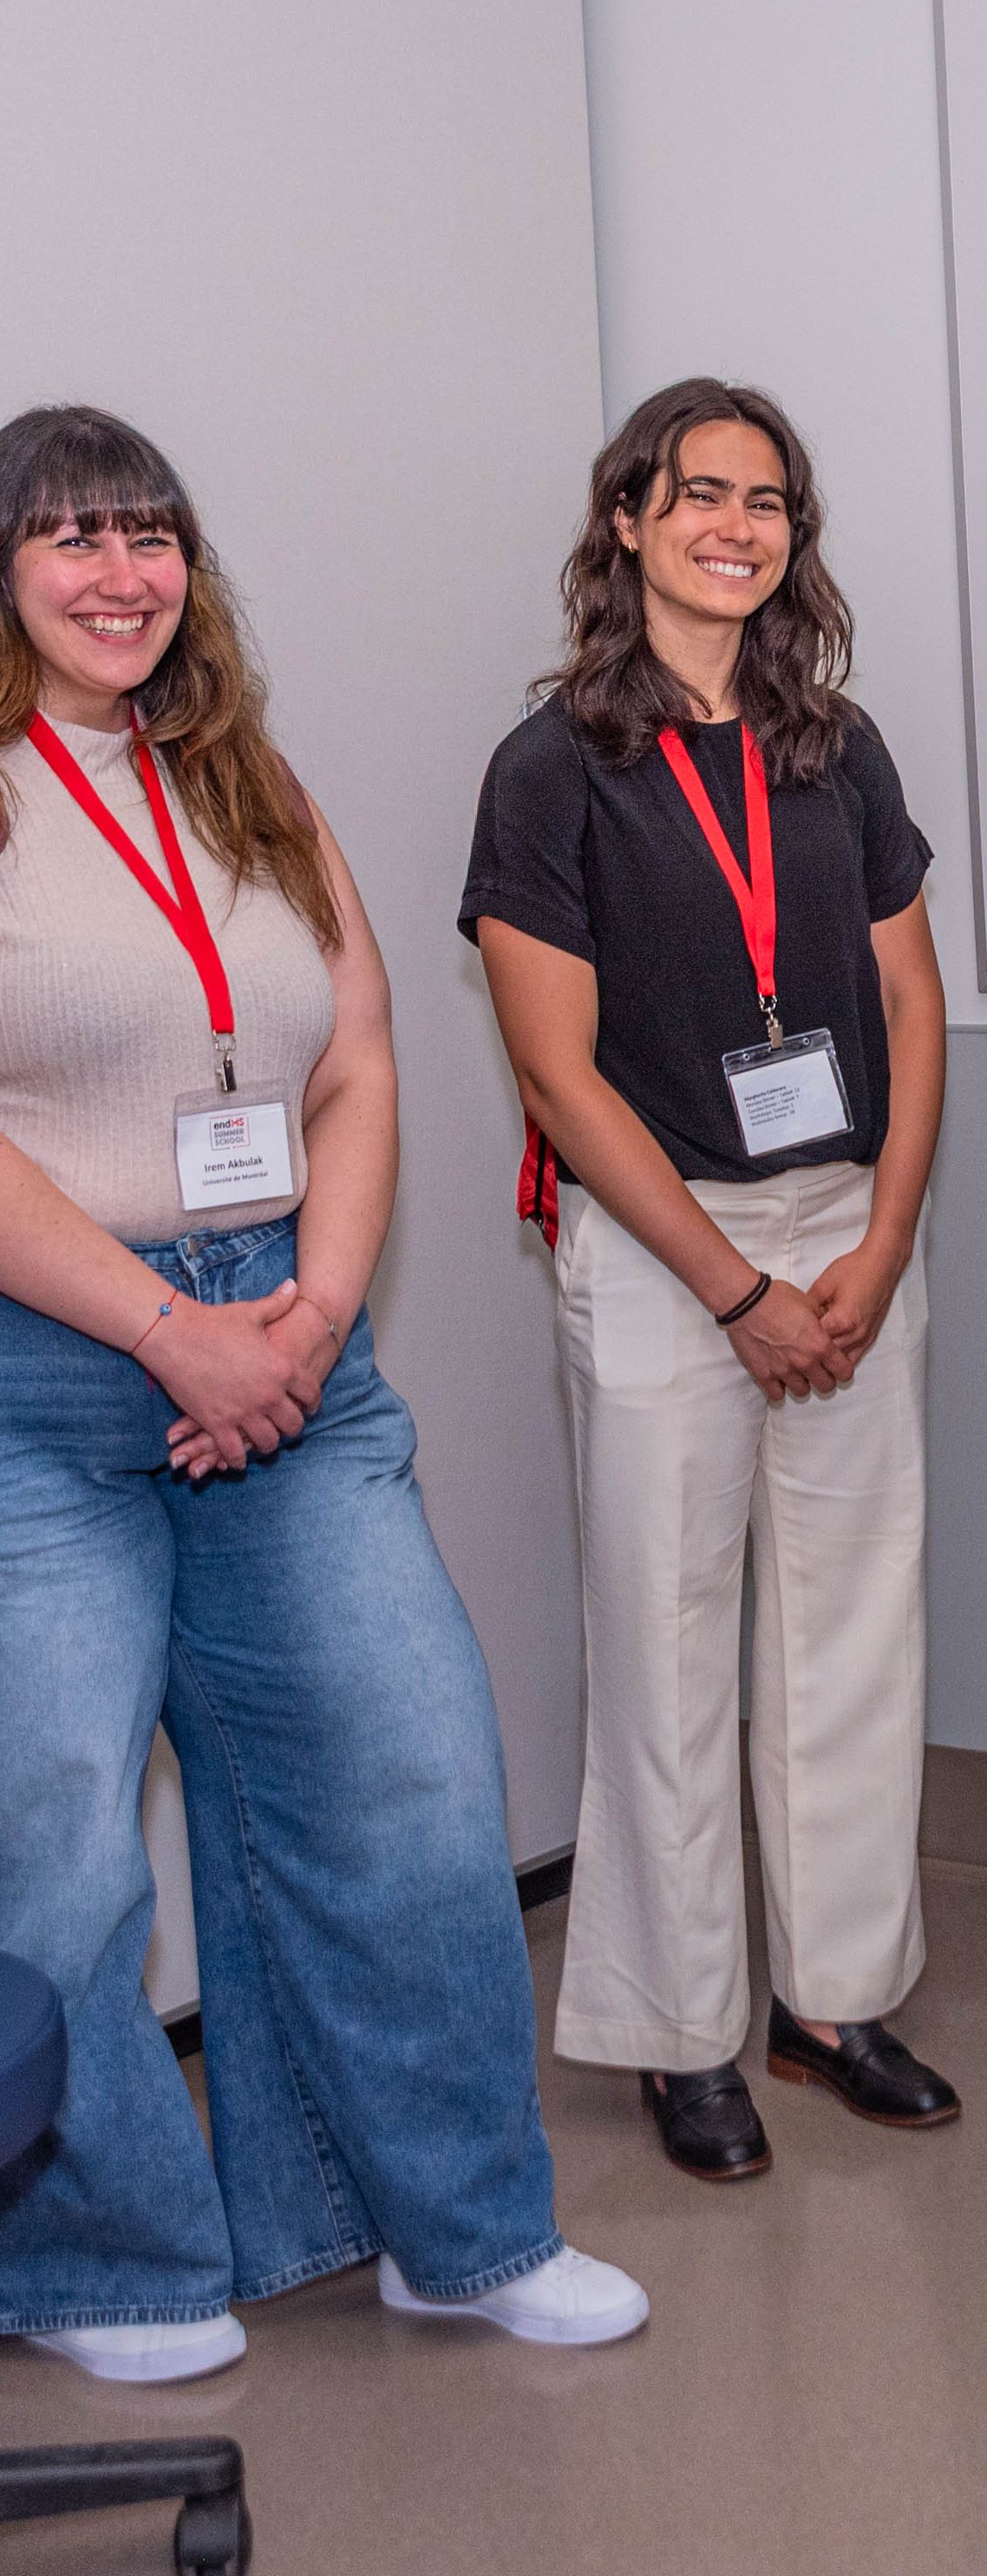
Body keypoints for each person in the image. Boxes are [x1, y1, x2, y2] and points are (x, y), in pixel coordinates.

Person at [0, 405, 647, 2379]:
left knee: (414, 1787)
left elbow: (354, 1053)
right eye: (71, 536)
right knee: (55, 1847)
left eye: (151, 534)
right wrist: (164, 1328)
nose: (121, 572)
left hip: (290, 1349)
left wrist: (312, 1308)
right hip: (46, 1378)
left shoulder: (247, 779)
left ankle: (453, 2231)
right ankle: (109, 2263)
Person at [462, 378, 958, 2179]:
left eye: (767, 503)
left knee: (853, 1625)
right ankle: (681, 2033)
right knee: (667, 1642)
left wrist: (881, 1244)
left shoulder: (839, 744)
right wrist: (739, 1292)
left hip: (851, 1226)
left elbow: (912, 1002)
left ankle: (834, 2001)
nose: (736, 530)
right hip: (667, 1240)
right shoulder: (551, 769)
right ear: (628, 519)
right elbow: (555, 1073)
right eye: (700, 496)